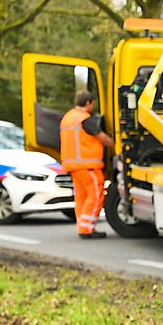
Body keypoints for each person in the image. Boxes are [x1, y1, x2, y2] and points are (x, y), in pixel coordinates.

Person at [58, 90, 113, 239]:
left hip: (73, 166)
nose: (93, 107)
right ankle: (88, 229)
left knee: (81, 197)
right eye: (93, 104)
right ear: (88, 102)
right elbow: (101, 137)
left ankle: (82, 227)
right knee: (95, 196)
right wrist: (116, 146)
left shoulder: (67, 118)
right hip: (88, 165)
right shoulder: (85, 119)